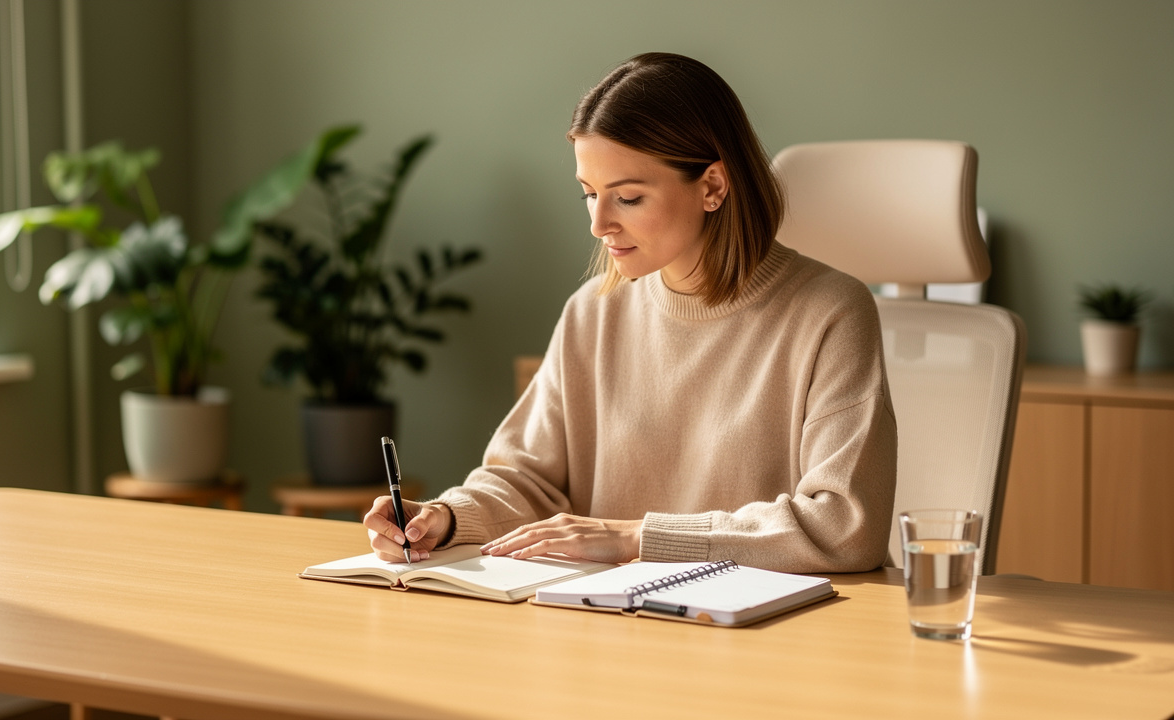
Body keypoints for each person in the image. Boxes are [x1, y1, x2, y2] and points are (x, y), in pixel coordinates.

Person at [365, 52, 897, 573]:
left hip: (768, 623)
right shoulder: (591, 313)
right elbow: (528, 481)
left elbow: (844, 526)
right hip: (609, 615)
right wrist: (444, 518)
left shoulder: (831, 312)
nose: (598, 224)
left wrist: (635, 538)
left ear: (712, 186)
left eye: (628, 198)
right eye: (588, 193)